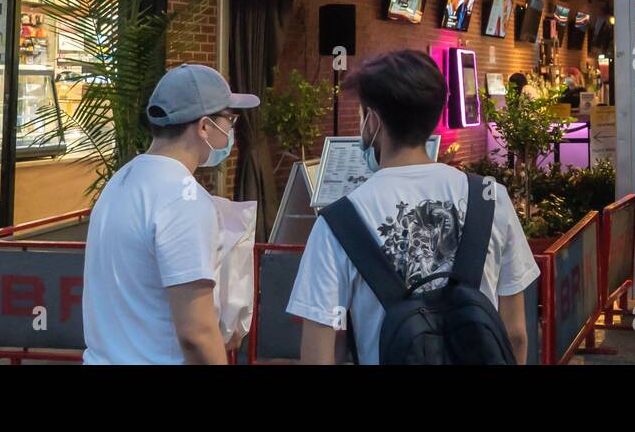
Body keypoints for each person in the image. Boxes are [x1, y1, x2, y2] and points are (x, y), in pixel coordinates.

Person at [289, 50, 539, 364]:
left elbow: (319, 352)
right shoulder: (490, 199)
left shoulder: (339, 222)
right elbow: (514, 333)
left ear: (373, 121)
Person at [82, 63, 259, 364]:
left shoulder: (123, 179)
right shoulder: (184, 198)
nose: (232, 129)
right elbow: (197, 332)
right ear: (205, 127)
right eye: (229, 119)